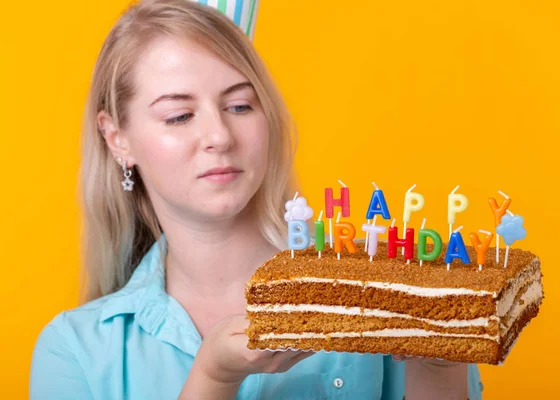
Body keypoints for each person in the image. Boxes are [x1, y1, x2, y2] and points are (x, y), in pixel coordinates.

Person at [29, 0, 483, 398]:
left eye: (240, 105)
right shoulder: (75, 350)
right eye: (179, 115)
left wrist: (442, 365)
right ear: (116, 138)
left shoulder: (374, 292)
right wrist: (213, 378)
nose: (219, 136)